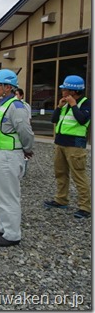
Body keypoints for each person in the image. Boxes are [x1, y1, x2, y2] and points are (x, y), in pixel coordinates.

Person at [0, 69, 34, 247]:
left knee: (8, 194)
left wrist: (27, 149)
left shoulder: (15, 106)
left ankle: (12, 233)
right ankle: (2, 225)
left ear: (8, 87)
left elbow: (25, 132)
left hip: (6, 156)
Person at [44, 75, 91, 219]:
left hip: (75, 145)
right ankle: (61, 199)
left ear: (73, 91)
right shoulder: (64, 104)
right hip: (60, 143)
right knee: (60, 173)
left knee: (79, 175)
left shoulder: (86, 103)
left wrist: (73, 105)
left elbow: (82, 120)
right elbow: (54, 120)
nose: (62, 91)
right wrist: (59, 107)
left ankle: (85, 207)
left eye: (64, 89)